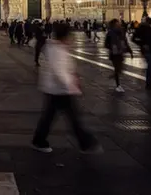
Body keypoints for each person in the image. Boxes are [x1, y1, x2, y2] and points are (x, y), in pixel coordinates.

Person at [31, 22, 102, 154]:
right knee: (71, 117)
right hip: (59, 89)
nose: (71, 39)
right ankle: (85, 143)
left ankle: (39, 140)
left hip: (56, 89)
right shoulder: (56, 49)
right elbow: (59, 71)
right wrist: (71, 85)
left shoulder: (55, 47)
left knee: (52, 116)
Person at [104, 19, 132, 93]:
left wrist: (130, 50)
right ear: (114, 25)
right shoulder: (110, 33)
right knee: (117, 69)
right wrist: (112, 47)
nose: (119, 24)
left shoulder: (121, 32)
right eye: (117, 24)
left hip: (120, 53)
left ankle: (114, 75)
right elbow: (106, 44)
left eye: (119, 23)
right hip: (114, 54)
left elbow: (125, 41)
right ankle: (118, 86)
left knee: (120, 69)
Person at [133, 17, 151, 91]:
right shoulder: (142, 28)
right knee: (150, 66)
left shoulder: (150, 29)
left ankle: (149, 83)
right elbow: (134, 38)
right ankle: (148, 83)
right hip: (147, 50)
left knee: (150, 66)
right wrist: (143, 44)